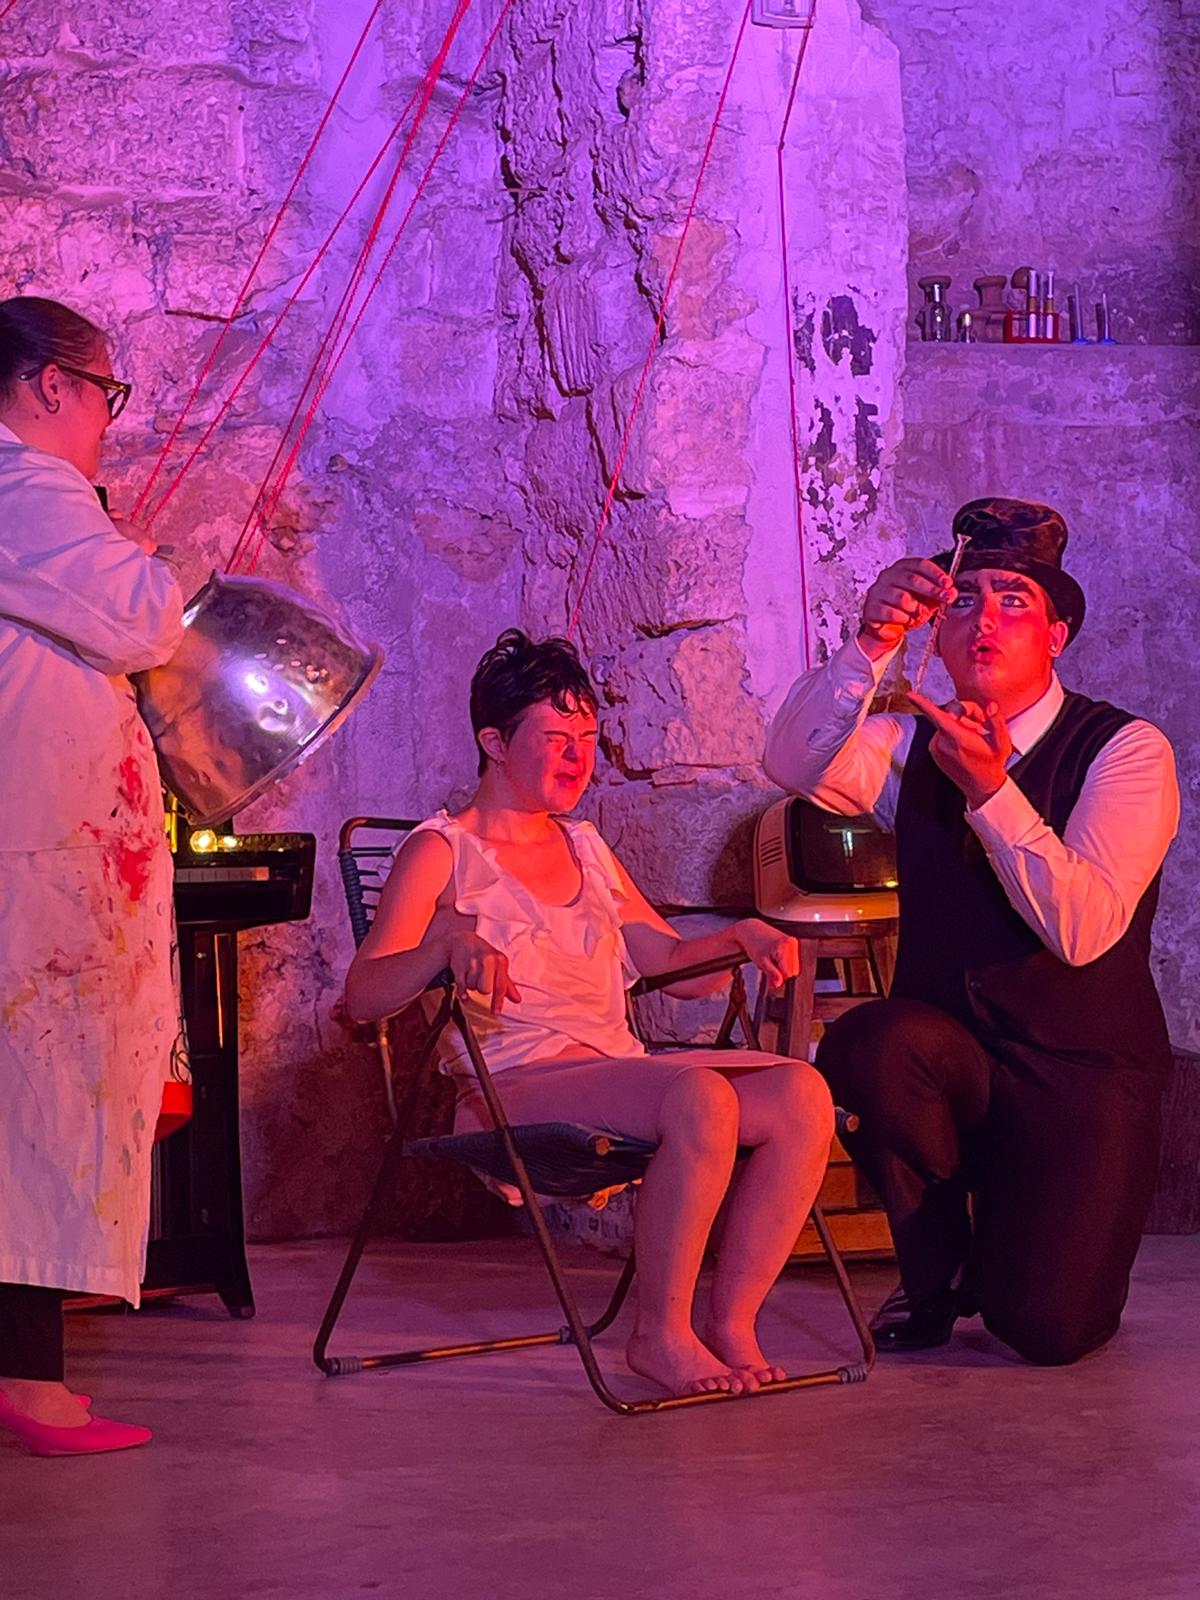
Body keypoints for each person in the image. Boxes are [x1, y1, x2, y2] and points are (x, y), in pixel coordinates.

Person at [345, 629, 835, 1397]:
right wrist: (445, 946)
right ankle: (659, 1336)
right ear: (494, 743)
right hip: (508, 1086)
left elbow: (671, 968)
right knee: (699, 1097)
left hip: (611, 1073)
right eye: (555, 739)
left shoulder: (586, 848)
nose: (578, 759)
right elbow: (363, 995)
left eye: (587, 740)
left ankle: (731, 1323)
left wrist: (738, 937)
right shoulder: (441, 851)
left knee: (802, 1094)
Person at [764, 498, 1179, 1365]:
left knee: (1047, 1330)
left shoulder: (1127, 751)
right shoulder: (909, 743)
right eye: (963, 600)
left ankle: (1019, 1241)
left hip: (1081, 1072)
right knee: (871, 1043)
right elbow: (792, 761)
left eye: (1013, 600)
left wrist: (993, 794)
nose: (984, 618)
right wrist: (870, 642)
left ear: (1056, 636)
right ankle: (935, 1271)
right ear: (939, 632)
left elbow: (1083, 931)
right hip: (953, 1056)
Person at [0, 296, 185, 1455]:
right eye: (107, 394)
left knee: (33, 1104)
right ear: (50, 384)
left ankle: (29, 1373)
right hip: (38, 867)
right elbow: (143, 620)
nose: (109, 420)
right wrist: (168, 565)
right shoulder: (25, 485)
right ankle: (30, 1383)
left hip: (38, 853)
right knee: (39, 1104)